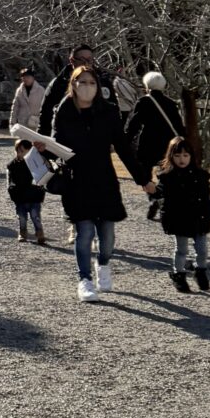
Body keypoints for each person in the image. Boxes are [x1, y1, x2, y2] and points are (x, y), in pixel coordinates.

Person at [49, 64, 153, 301]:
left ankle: (103, 264)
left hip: (104, 178)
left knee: (107, 235)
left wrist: (143, 179)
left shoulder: (108, 112)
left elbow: (124, 149)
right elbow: (56, 146)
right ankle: (84, 279)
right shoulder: (63, 112)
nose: (87, 87)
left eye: (92, 82)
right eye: (81, 82)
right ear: (73, 85)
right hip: (76, 180)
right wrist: (44, 149)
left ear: (98, 87)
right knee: (83, 232)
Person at [148, 136, 210, 292]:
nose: (182, 159)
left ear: (191, 157)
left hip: (199, 217)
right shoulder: (167, 177)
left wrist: (209, 215)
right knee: (182, 249)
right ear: (171, 156)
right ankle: (178, 274)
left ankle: (200, 271)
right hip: (178, 218)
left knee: (202, 249)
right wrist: (152, 189)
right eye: (178, 155)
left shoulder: (200, 175)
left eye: (185, 155)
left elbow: (208, 198)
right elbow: (160, 195)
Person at [125, 69, 187, 171]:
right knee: (167, 172)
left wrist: (126, 141)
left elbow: (134, 124)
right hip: (168, 142)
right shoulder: (170, 103)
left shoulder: (143, 102)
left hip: (148, 142)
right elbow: (178, 124)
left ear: (147, 85)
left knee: (146, 173)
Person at [39, 44, 109, 133]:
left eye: (90, 60)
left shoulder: (103, 82)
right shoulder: (59, 84)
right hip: (66, 138)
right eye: (82, 60)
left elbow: (113, 114)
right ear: (72, 61)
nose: (86, 63)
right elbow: (45, 116)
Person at [7, 138, 47, 244]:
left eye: (22, 151)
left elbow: (42, 178)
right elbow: (10, 181)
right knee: (22, 217)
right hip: (20, 196)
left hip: (34, 195)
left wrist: (40, 191)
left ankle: (39, 233)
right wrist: (12, 192)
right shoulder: (12, 165)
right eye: (18, 151)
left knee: (36, 216)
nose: (19, 154)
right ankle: (22, 232)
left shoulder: (36, 162)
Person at [10, 64, 45, 134]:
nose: (26, 79)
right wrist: (12, 123)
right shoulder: (19, 90)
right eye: (23, 77)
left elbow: (45, 107)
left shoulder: (41, 90)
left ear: (33, 78)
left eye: (28, 77)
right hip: (22, 123)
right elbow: (15, 107)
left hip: (35, 123)